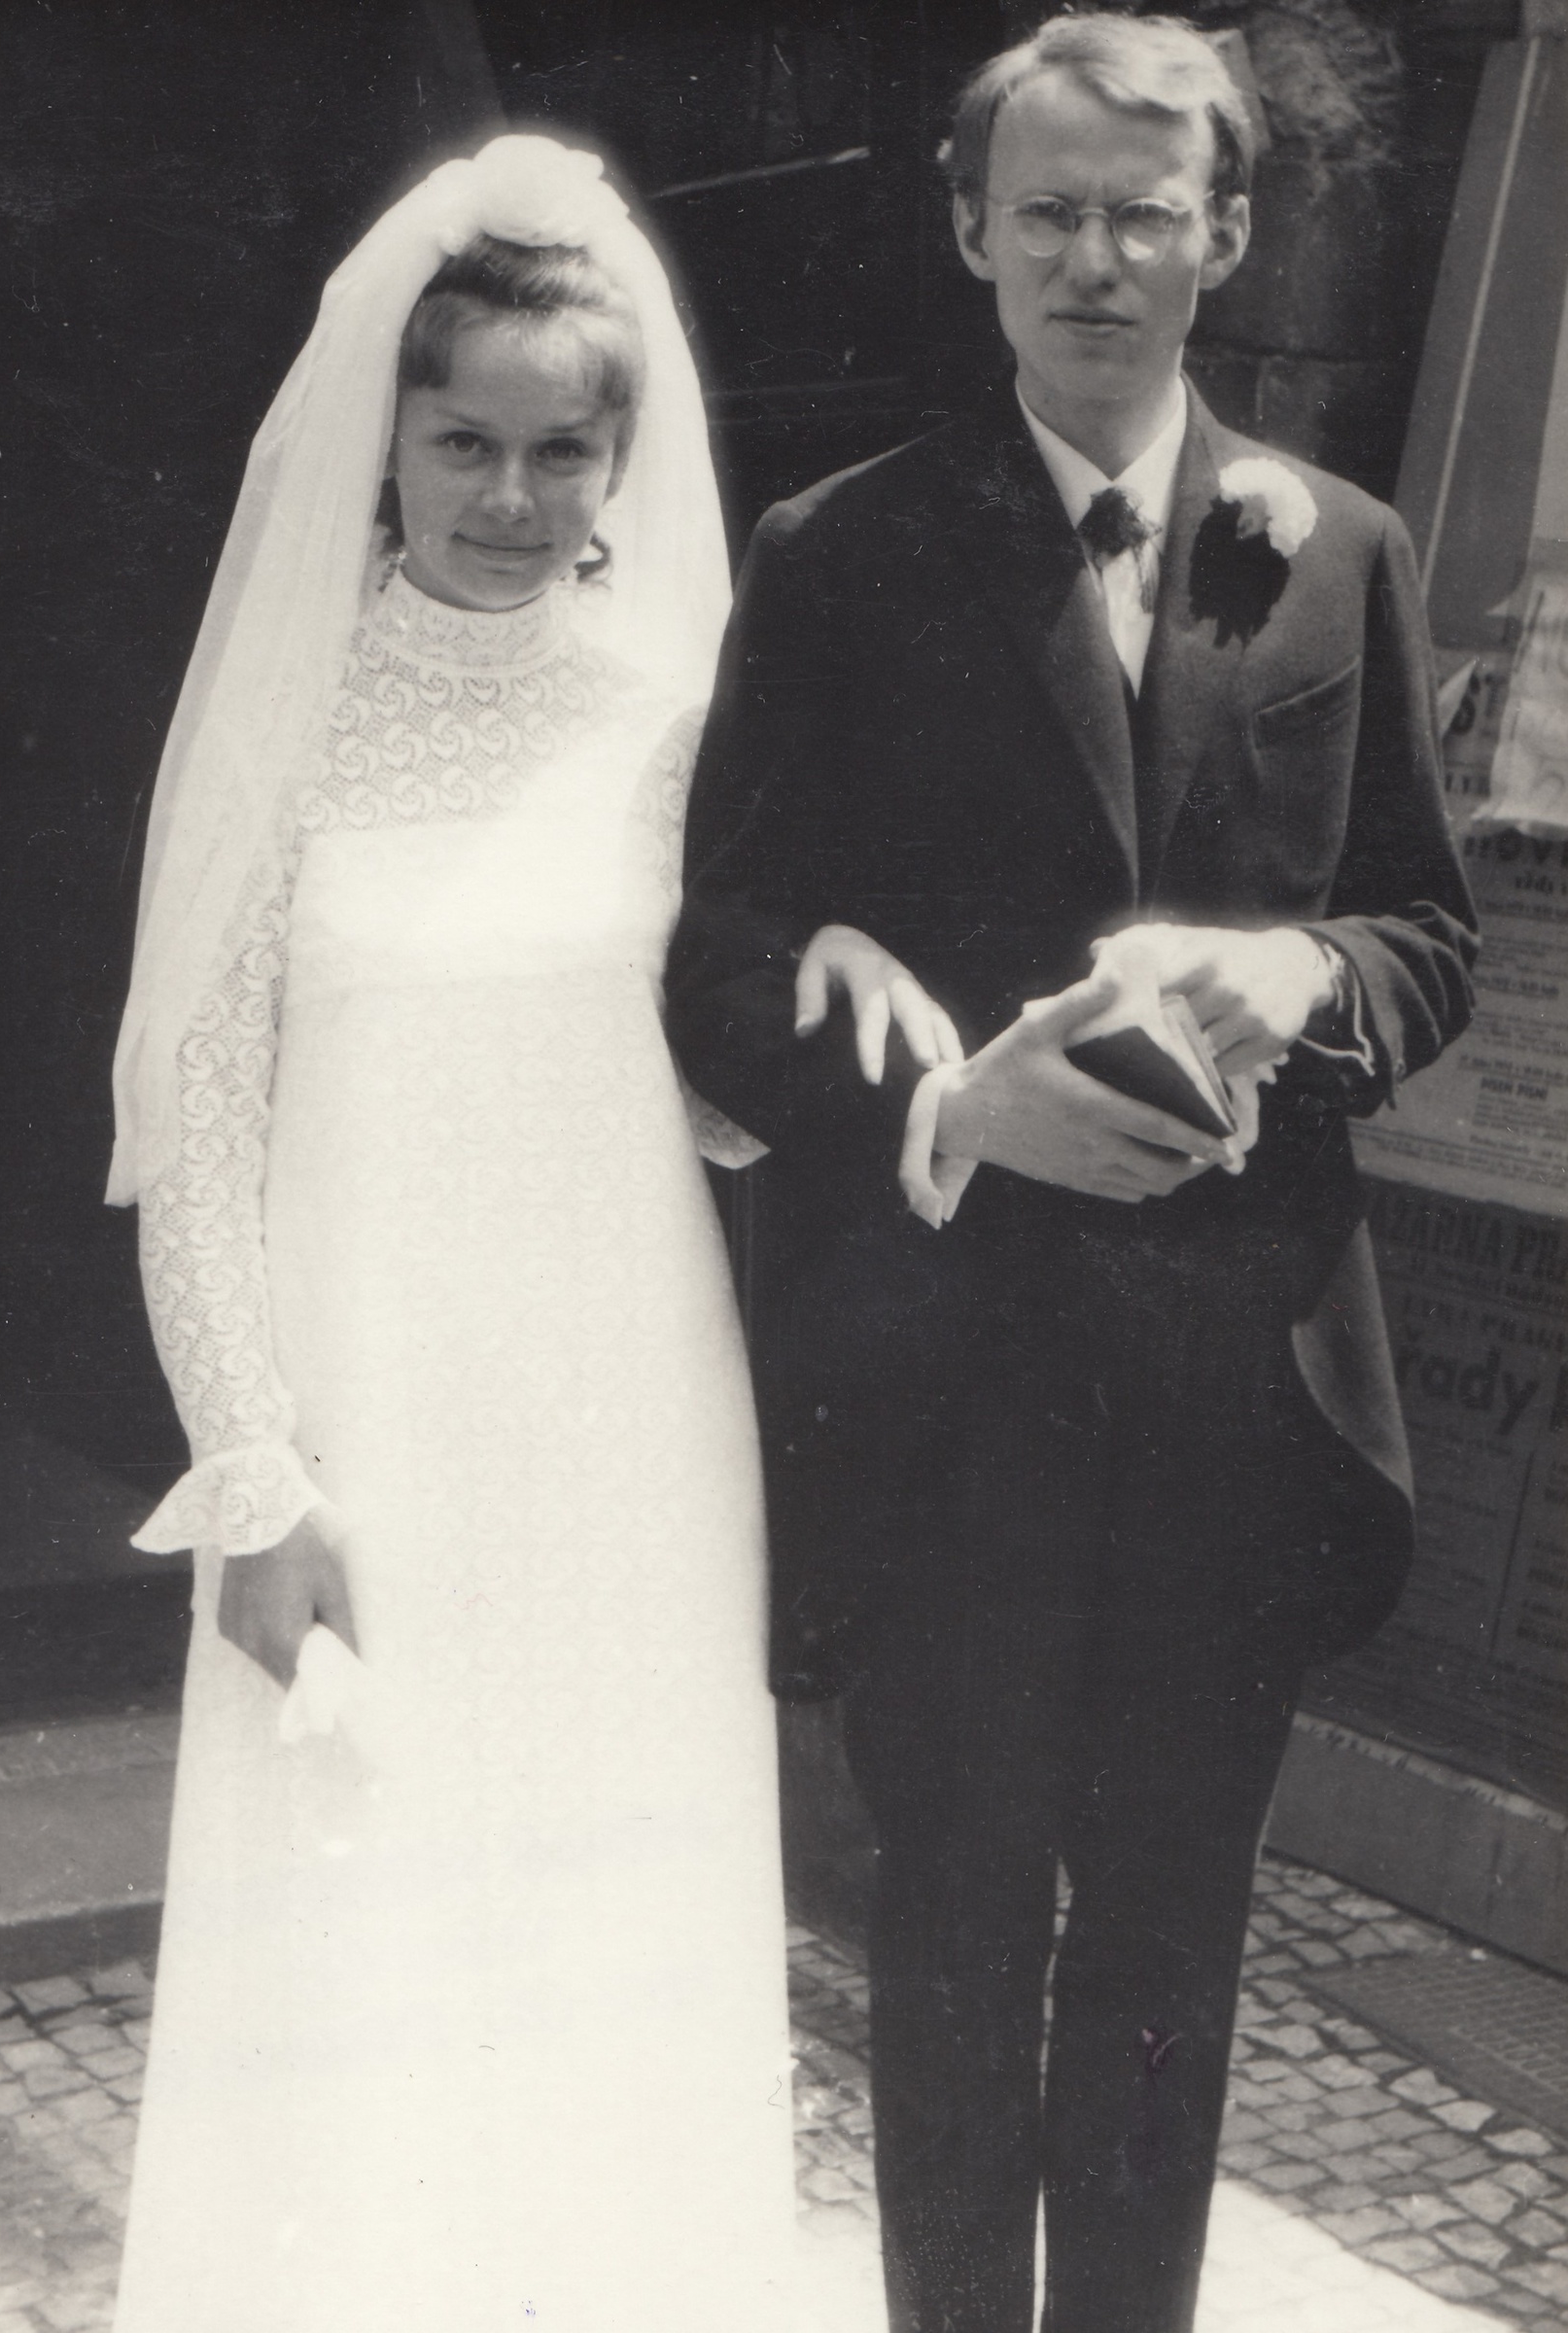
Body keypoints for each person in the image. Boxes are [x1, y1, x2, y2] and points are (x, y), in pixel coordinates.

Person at [665, 17, 1476, 2333]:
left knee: (1161, 1965)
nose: (1092, 261)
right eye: (1045, 215)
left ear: (1224, 234)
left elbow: (1427, 938)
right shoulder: (838, 551)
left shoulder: (1336, 551)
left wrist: (1297, 975)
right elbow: (719, 964)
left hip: (1232, 1401)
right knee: (941, 1946)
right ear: (968, 234)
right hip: (944, 1394)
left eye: (1141, 214)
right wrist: (942, 1112)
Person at [105, 135, 804, 2333]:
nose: (509, 495)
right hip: (370, 1424)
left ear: (619, 465)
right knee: (361, 1911)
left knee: (609, 1893)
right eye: (463, 443)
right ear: (387, 445)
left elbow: (723, 1093)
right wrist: (257, 1473)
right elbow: (196, 1137)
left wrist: (850, 1001)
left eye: (557, 450)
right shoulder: (285, 732)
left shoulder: (684, 732)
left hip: (625, 1426)